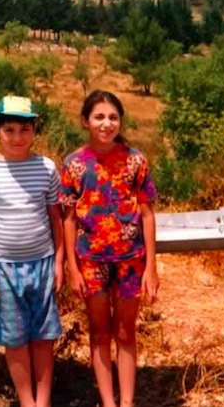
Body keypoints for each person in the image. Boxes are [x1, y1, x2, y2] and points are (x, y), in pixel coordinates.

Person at [0, 95, 64, 407]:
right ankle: (27, 400)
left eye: (24, 129)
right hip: (2, 269)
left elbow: (55, 218)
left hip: (42, 264)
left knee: (44, 337)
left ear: (34, 131)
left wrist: (59, 262)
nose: (17, 137)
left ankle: (43, 401)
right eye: (10, 130)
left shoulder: (46, 168)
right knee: (15, 339)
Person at [60, 90, 158, 407]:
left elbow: (146, 214)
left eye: (113, 117)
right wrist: (72, 268)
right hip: (91, 263)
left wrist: (152, 268)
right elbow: (69, 217)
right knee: (100, 332)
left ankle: (127, 402)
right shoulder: (73, 165)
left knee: (126, 332)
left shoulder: (135, 161)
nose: (106, 123)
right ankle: (108, 401)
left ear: (120, 121)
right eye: (99, 117)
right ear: (85, 121)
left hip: (131, 261)